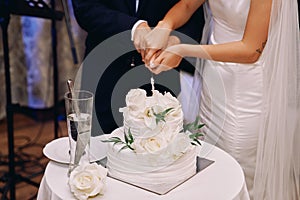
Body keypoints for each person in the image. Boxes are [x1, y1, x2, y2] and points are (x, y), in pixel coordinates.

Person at [141, 0, 300, 199]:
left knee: (240, 169)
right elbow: (188, 5)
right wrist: (165, 25)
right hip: (214, 81)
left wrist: (182, 50)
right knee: (209, 161)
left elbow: (251, 51)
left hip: (247, 91)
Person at [70, 0, 205, 134]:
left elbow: (195, 12)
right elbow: (84, 7)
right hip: (104, 72)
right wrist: (133, 28)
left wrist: (177, 40)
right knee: (96, 145)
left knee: (158, 146)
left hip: (160, 78)